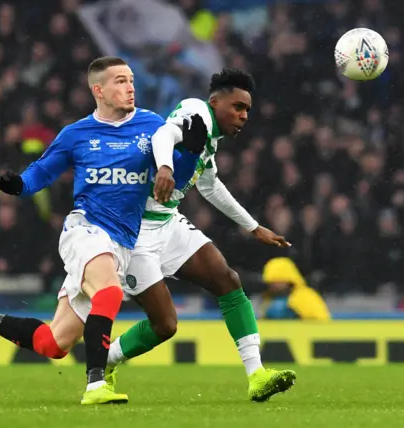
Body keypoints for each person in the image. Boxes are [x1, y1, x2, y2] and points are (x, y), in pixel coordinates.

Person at [0, 56, 206, 405]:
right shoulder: (77, 134)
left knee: (54, 344)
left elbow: (177, 179)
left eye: (131, 81)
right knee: (108, 292)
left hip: (124, 241)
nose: (130, 88)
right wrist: (19, 185)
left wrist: (191, 151)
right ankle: (96, 384)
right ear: (99, 90)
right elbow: (43, 171)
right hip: (86, 230)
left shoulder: (152, 127)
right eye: (120, 82)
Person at [105, 69, 296, 402]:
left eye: (247, 110)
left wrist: (252, 226)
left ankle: (257, 375)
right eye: (237, 107)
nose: (243, 116)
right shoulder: (197, 113)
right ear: (215, 101)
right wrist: (165, 167)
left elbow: (209, 185)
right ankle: (105, 360)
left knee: (227, 279)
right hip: (133, 232)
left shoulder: (209, 139)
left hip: (166, 222)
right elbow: (163, 135)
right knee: (164, 325)